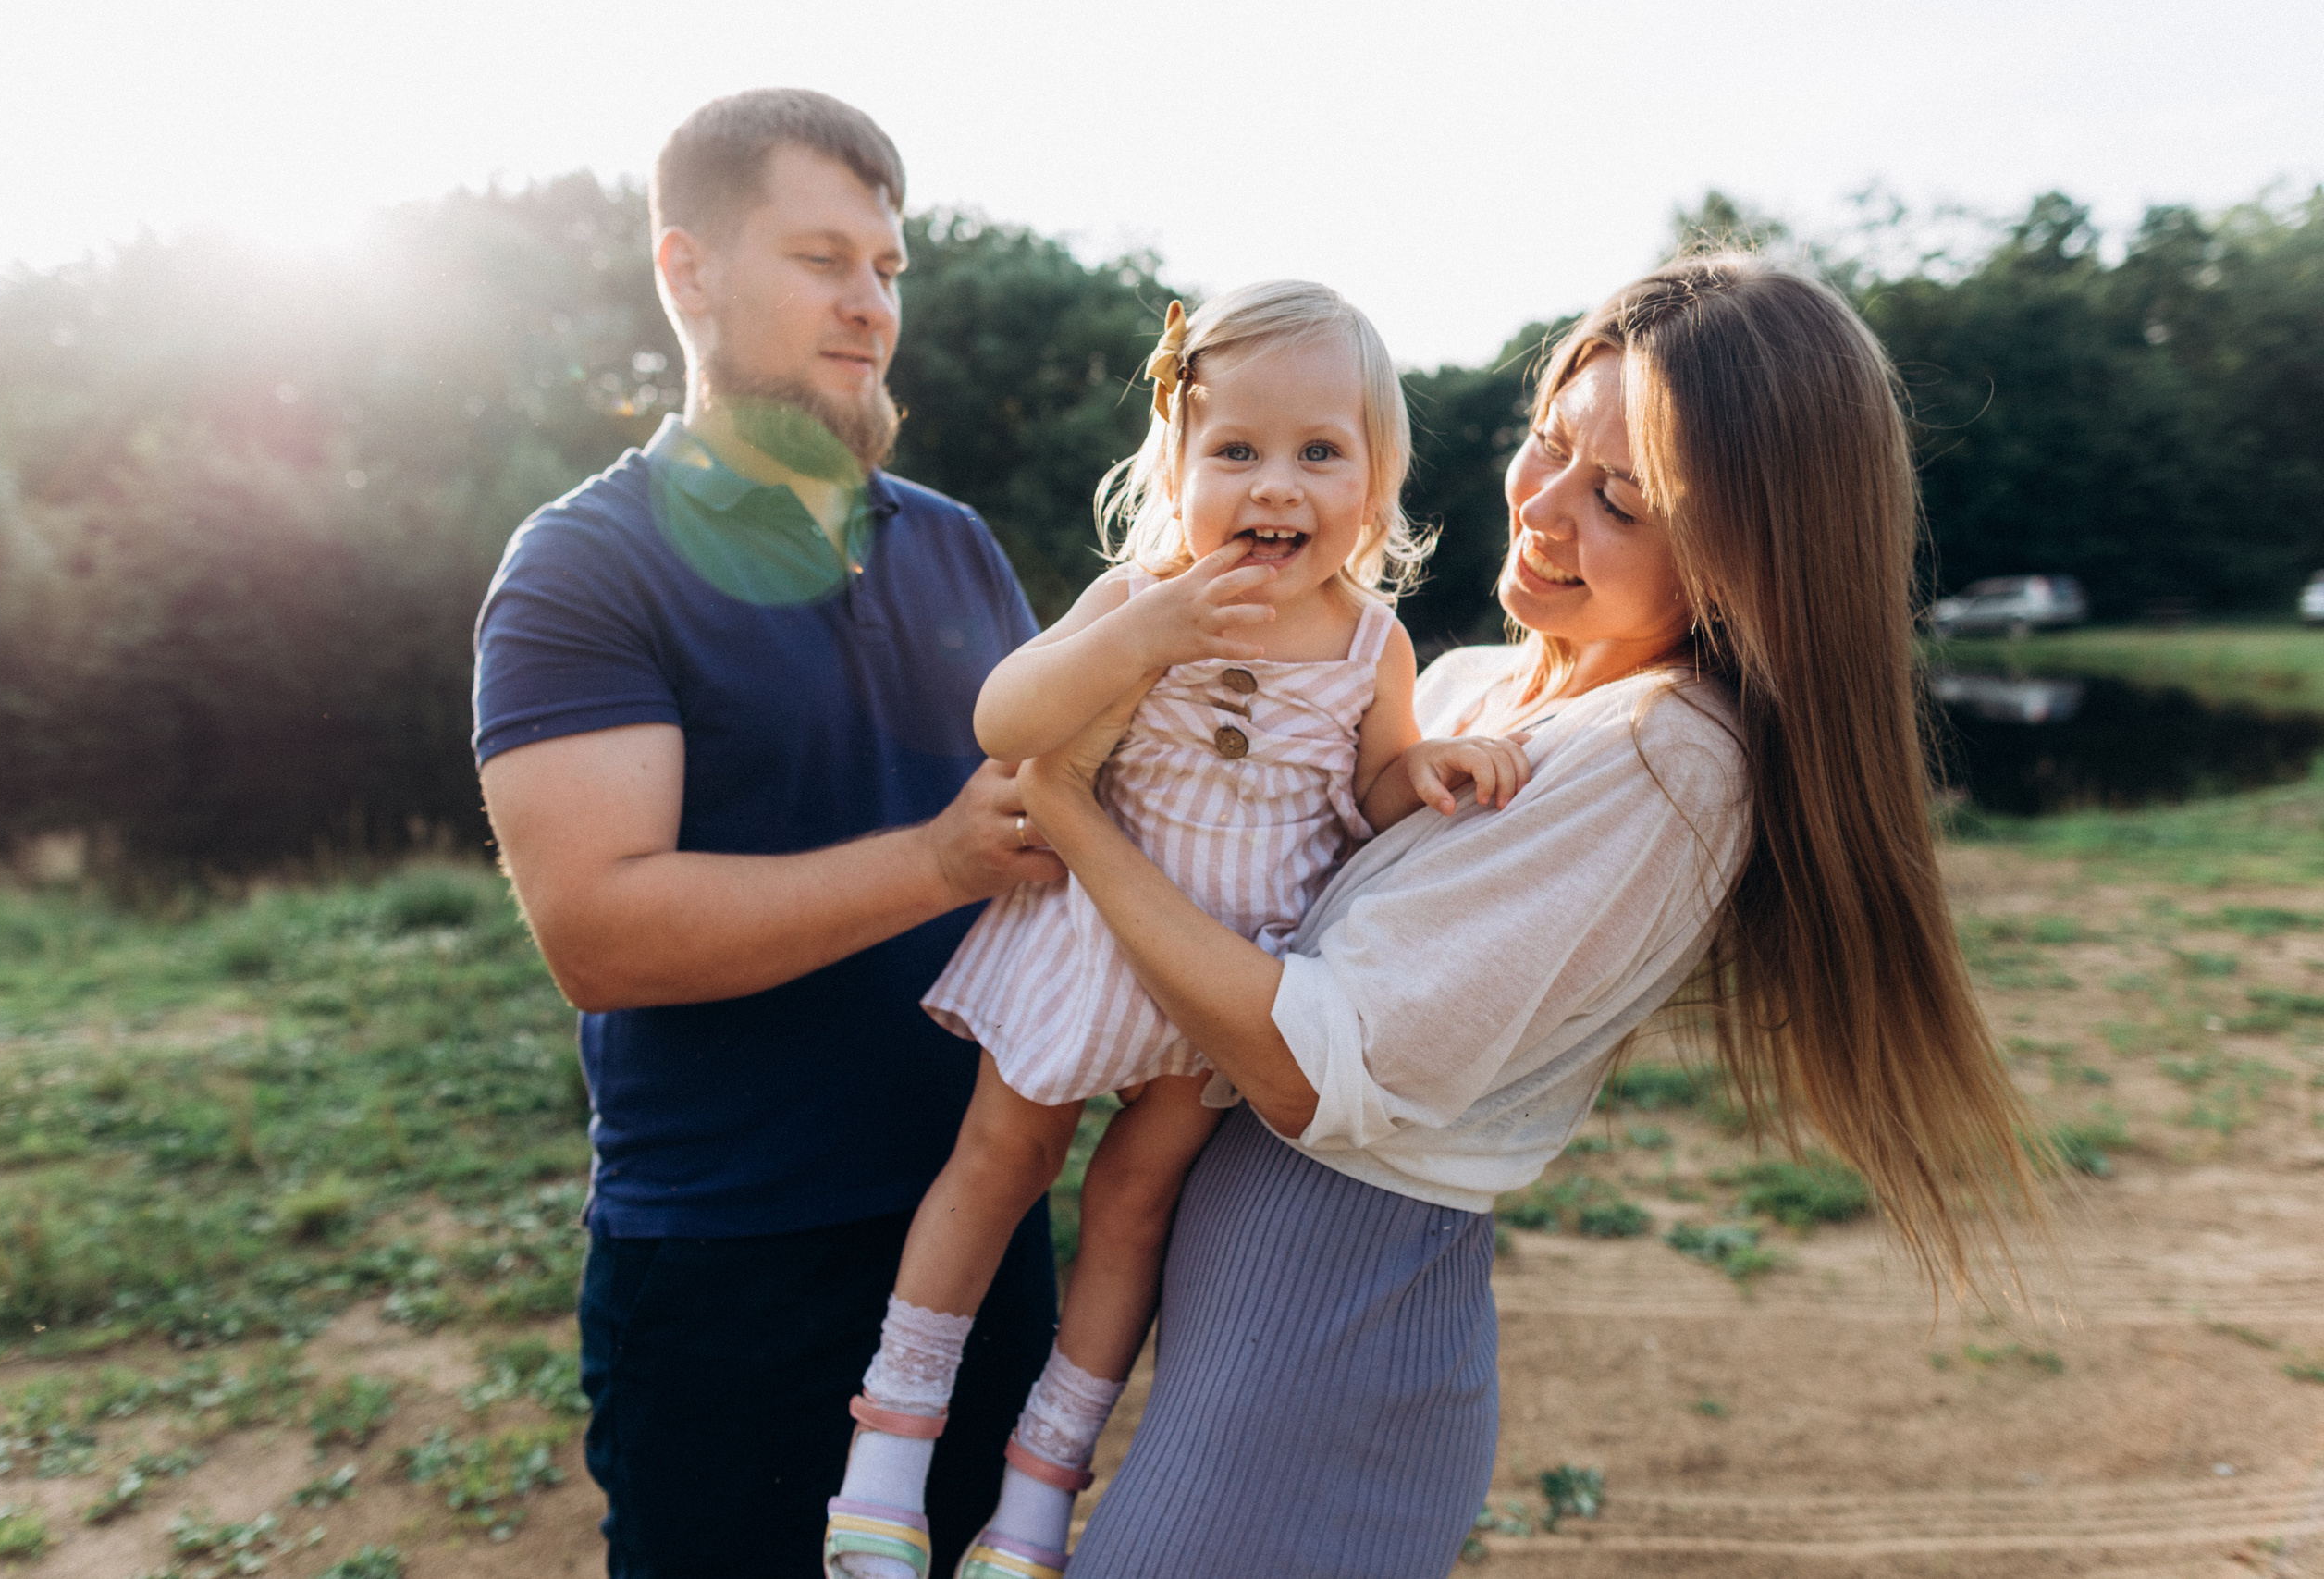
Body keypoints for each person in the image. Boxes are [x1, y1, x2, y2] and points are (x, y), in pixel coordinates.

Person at [1004, 254, 2047, 1576]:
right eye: (1548, 445)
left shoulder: (1670, 754)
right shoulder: (1476, 685)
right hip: (1233, 1315)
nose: (1546, 511)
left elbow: (1308, 1061)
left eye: (1623, 499)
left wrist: (1075, 815)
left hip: (1330, 1340)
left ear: (1749, 555)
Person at [820, 282, 1529, 1579]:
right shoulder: (1139, 591)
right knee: (1000, 1160)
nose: (1279, 486)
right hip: (1091, 942)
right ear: (1178, 464)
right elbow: (1005, 719)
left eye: (1321, 453)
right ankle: (891, 1451)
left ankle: (1037, 1495)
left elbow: (1367, 792)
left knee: (1133, 1206)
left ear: (1376, 482)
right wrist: (1145, 630)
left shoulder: (1370, 642)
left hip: (1228, 977)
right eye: (1238, 451)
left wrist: (1424, 772)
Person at [470, 89, 1064, 1576]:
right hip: (731, 1269)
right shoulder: (583, 568)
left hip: (978, 1239)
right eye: (821, 260)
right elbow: (599, 931)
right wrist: (935, 860)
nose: (869, 306)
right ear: (687, 273)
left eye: (887, 268)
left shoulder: (959, 543)